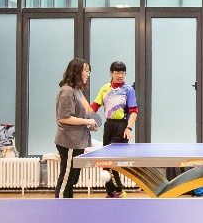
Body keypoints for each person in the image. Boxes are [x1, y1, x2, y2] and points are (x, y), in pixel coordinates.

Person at [90, 60, 139, 199]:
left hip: (122, 126)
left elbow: (134, 111)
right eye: (117, 72)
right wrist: (88, 121)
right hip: (109, 125)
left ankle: (117, 190)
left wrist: (129, 127)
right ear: (111, 73)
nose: (120, 75)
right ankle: (112, 192)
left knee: (112, 160)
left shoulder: (128, 90)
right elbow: (94, 107)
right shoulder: (105, 88)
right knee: (106, 161)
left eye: (123, 73)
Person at [54, 58, 98, 197]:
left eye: (89, 71)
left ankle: (69, 208)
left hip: (78, 142)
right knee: (66, 181)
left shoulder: (77, 91)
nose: (88, 74)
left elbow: (85, 112)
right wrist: (87, 121)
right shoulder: (67, 91)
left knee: (72, 180)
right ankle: (60, 208)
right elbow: (64, 117)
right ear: (76, 72)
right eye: (86, 70)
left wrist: (90, 122)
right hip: (69, 142)